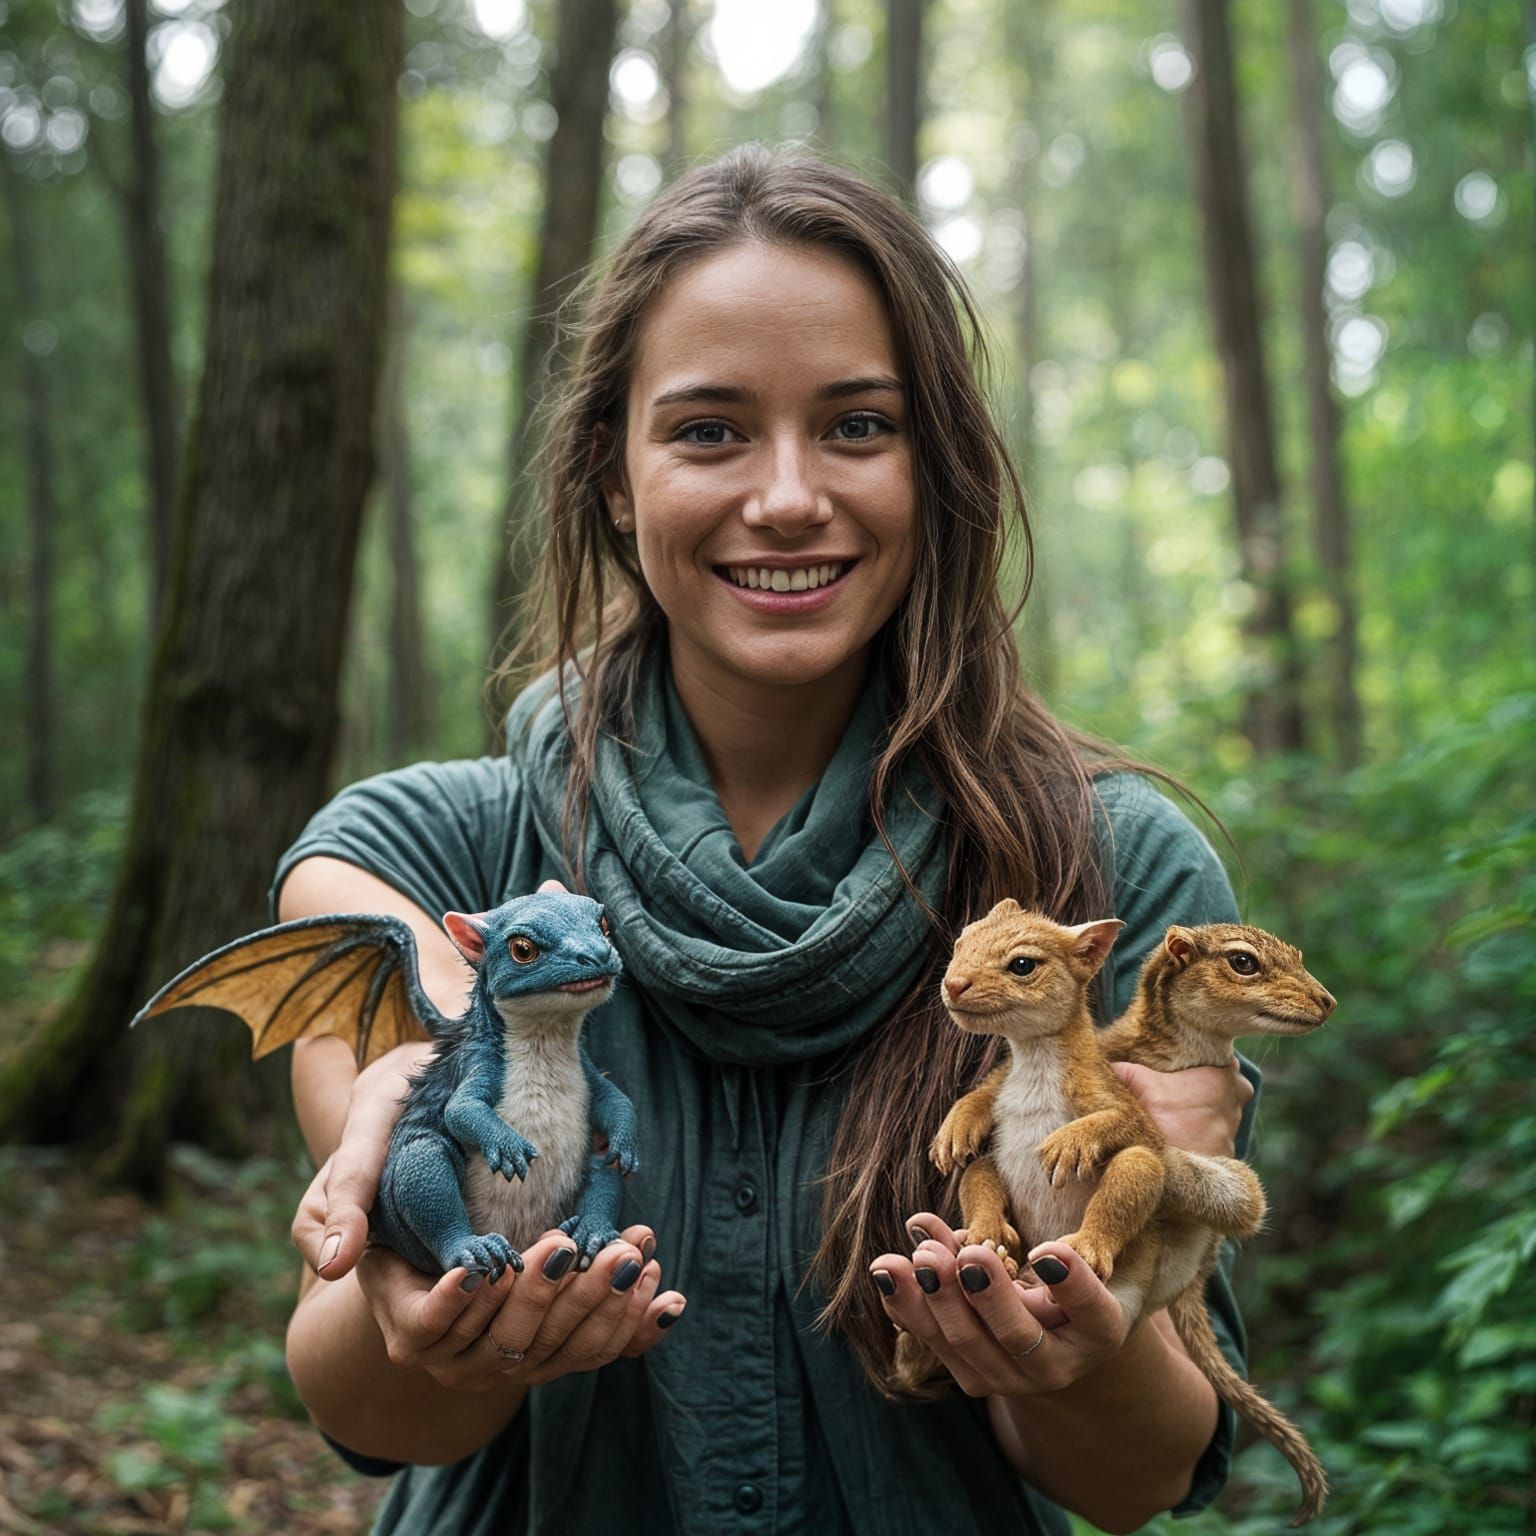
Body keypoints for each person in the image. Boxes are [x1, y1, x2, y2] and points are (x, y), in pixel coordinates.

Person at [277, 145, 1257, 1536]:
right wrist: (438, 1167)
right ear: (614, 477)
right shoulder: (448, 847)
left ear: (940, 469)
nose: (789, 495)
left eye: (858, 425)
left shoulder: (1109, 876)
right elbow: (369, 1416)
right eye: (709, 430)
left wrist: (1081, 1362)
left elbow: (1140, 1477)